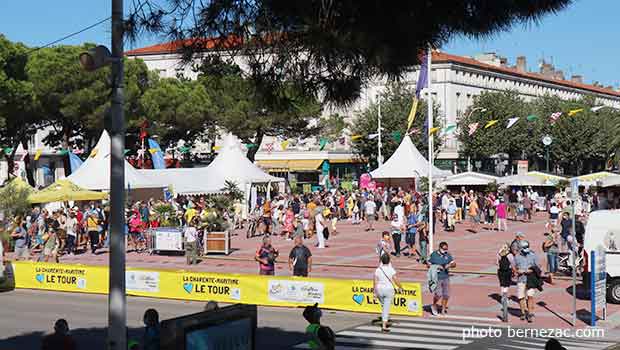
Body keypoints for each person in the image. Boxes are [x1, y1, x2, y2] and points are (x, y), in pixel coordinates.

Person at [373, 253, 402, 332]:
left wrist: (374, 292)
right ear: (389, 261)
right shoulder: (391, 269)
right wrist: (400, 287)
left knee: (383, 306)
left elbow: (375, 282)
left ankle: (384, 319)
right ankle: (384, 325)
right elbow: (395, 280)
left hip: (379, 289)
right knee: (386, 307)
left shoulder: (378, 270)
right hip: (389, 289)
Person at [514, 240, 541, 323]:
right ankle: (522, 313)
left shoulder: (533, 255)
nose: (526, 250)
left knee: (530, 296)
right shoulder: (517, 257)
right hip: (521, 279)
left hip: (530, 279)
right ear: (521, 249)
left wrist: (532, 270)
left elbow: (538, 266)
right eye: (524, 248)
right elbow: (514, 268)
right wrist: (518, 271)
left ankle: (529, 313)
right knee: (521, 297)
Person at [428, 241, 456, 316]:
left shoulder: (448, 255)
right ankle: (434, 305)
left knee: (446, 295)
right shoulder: (434, 255)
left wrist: (449, 266)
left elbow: (454, 264)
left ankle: (443, 309)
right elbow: (428, 264)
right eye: (444, 249)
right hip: (437, 277)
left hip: (446, 277)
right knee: (438, 294)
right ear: (440, 248)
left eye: (446, 249)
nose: (445, 250)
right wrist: (436, 267)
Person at [497, 244, 512, 322]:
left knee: (502, 284)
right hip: (507, 271)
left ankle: (503, 297)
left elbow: (497, 263)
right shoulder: (509, 255)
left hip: (500, 271)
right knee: (507, 284)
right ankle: (505, 297)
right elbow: (512, 263)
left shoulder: (499, 254)